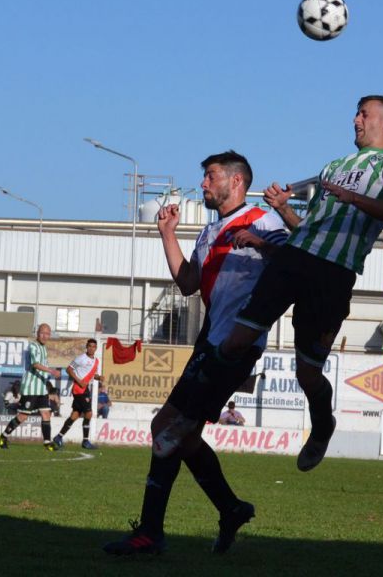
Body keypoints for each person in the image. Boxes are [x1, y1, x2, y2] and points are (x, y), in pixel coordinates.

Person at [154, 95, 383, 475]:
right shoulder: (335, 166)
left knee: (307, 372)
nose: (356, 119)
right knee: (235, 340)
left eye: (364, 114)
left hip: (334, 273)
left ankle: (322, 425)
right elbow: (308, 229)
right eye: (357, 113)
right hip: (296, 259)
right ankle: (188, 417)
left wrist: (350, 196)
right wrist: (284, 209)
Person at [104, 150, 288, 557]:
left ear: (236, 181)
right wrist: (168, 234)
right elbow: (188, 282)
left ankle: (152, 533)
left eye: (210, 176)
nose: (203, 184)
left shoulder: (264, 220)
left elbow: (293, 264)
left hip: (235, 345)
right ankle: (231, 508)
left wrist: (260, 243)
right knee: (178, 435)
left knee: (167, 430)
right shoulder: (209, 232)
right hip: (211, 342)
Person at [0, 323, 62, 450]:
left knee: (46, 414)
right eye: (42, 333)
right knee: (23, 416)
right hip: (31, 388)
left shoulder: (43, 348)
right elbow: (36, 364)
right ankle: (2, 437)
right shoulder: (33, 346)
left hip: (41, 389)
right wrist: (52, 371)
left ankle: (47, 443)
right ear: (37, 333)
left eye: (47, 333)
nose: (45, 336)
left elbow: (41, 367)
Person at [51, 338, 102, 450]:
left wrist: (99, 377)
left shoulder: (96, 361)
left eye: (93, 346)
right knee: (88, 414)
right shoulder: (81, 358)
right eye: (89, 346)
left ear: (96, 348)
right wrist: (78, 381)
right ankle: (85, 441)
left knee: (75, 415)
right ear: (86, 347)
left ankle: (58, 437)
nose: (91, 348)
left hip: (85, 389)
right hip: (79, 389)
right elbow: (69, 369)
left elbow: (93, 375)